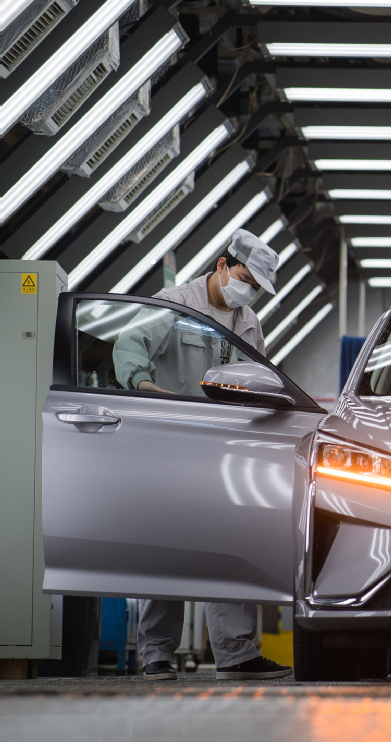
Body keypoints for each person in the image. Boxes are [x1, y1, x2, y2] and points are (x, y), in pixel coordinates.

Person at [113, 229, 293, 681]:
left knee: (231, 545)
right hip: (170, 446)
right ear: (222, 265)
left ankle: (235, 653)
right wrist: (145, 386)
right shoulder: (174, 305)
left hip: (225, 449)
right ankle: (156, 653)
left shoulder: (249, 323)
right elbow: (128, 345)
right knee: (167, 545)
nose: (248, 293)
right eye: (246, 280)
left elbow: (257, 379)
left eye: (257, 289)